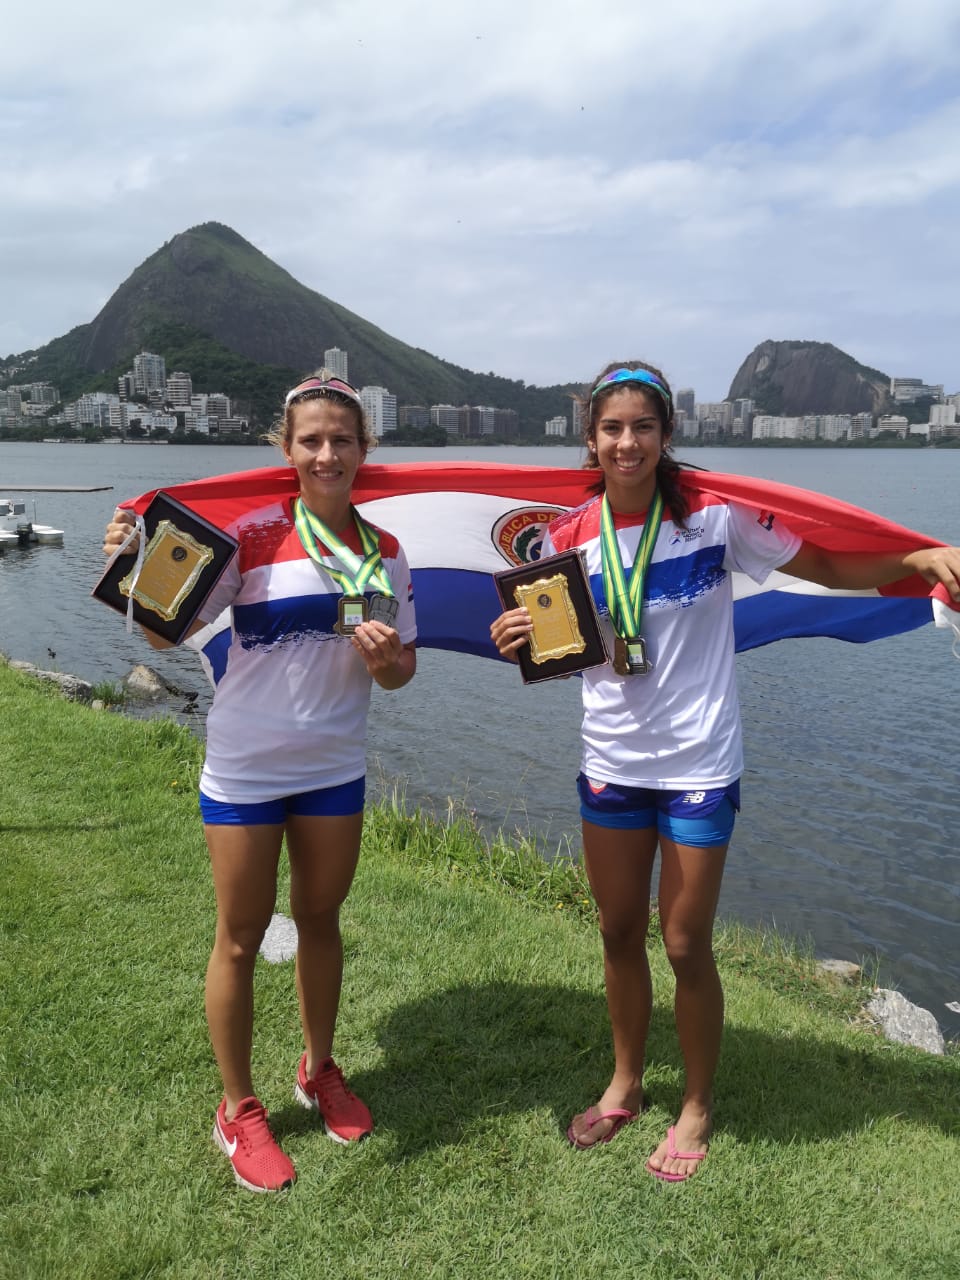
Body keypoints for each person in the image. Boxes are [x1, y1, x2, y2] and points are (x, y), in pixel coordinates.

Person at [490, 360, 960, 1182]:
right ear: (590, 440)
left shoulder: (713, 519)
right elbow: (574, 655)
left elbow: (823, 566)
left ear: (667, 435)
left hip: (700, 761)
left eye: (643, 426)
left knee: (683, 941)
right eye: (611, 428)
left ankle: (697, 1102)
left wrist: (917, 559)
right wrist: (523, 645)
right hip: (611, 760)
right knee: (614, 931)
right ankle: (626, 1083)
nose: (626, 442)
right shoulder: (566, 539)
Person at [103, 372, 417, 1193]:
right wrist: (135, 570)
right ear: (287, 450)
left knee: (320, 919)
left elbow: (402, 669)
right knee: (239, 938)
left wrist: (389, 665)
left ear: (364, 450)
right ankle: (237, 1108)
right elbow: (164, 637)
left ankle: (317, 1069)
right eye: (310, 440)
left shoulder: (387, 553)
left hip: (333, 770)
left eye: (341, 439)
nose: (325, 453)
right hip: (244, 768)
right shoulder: (246, 537)